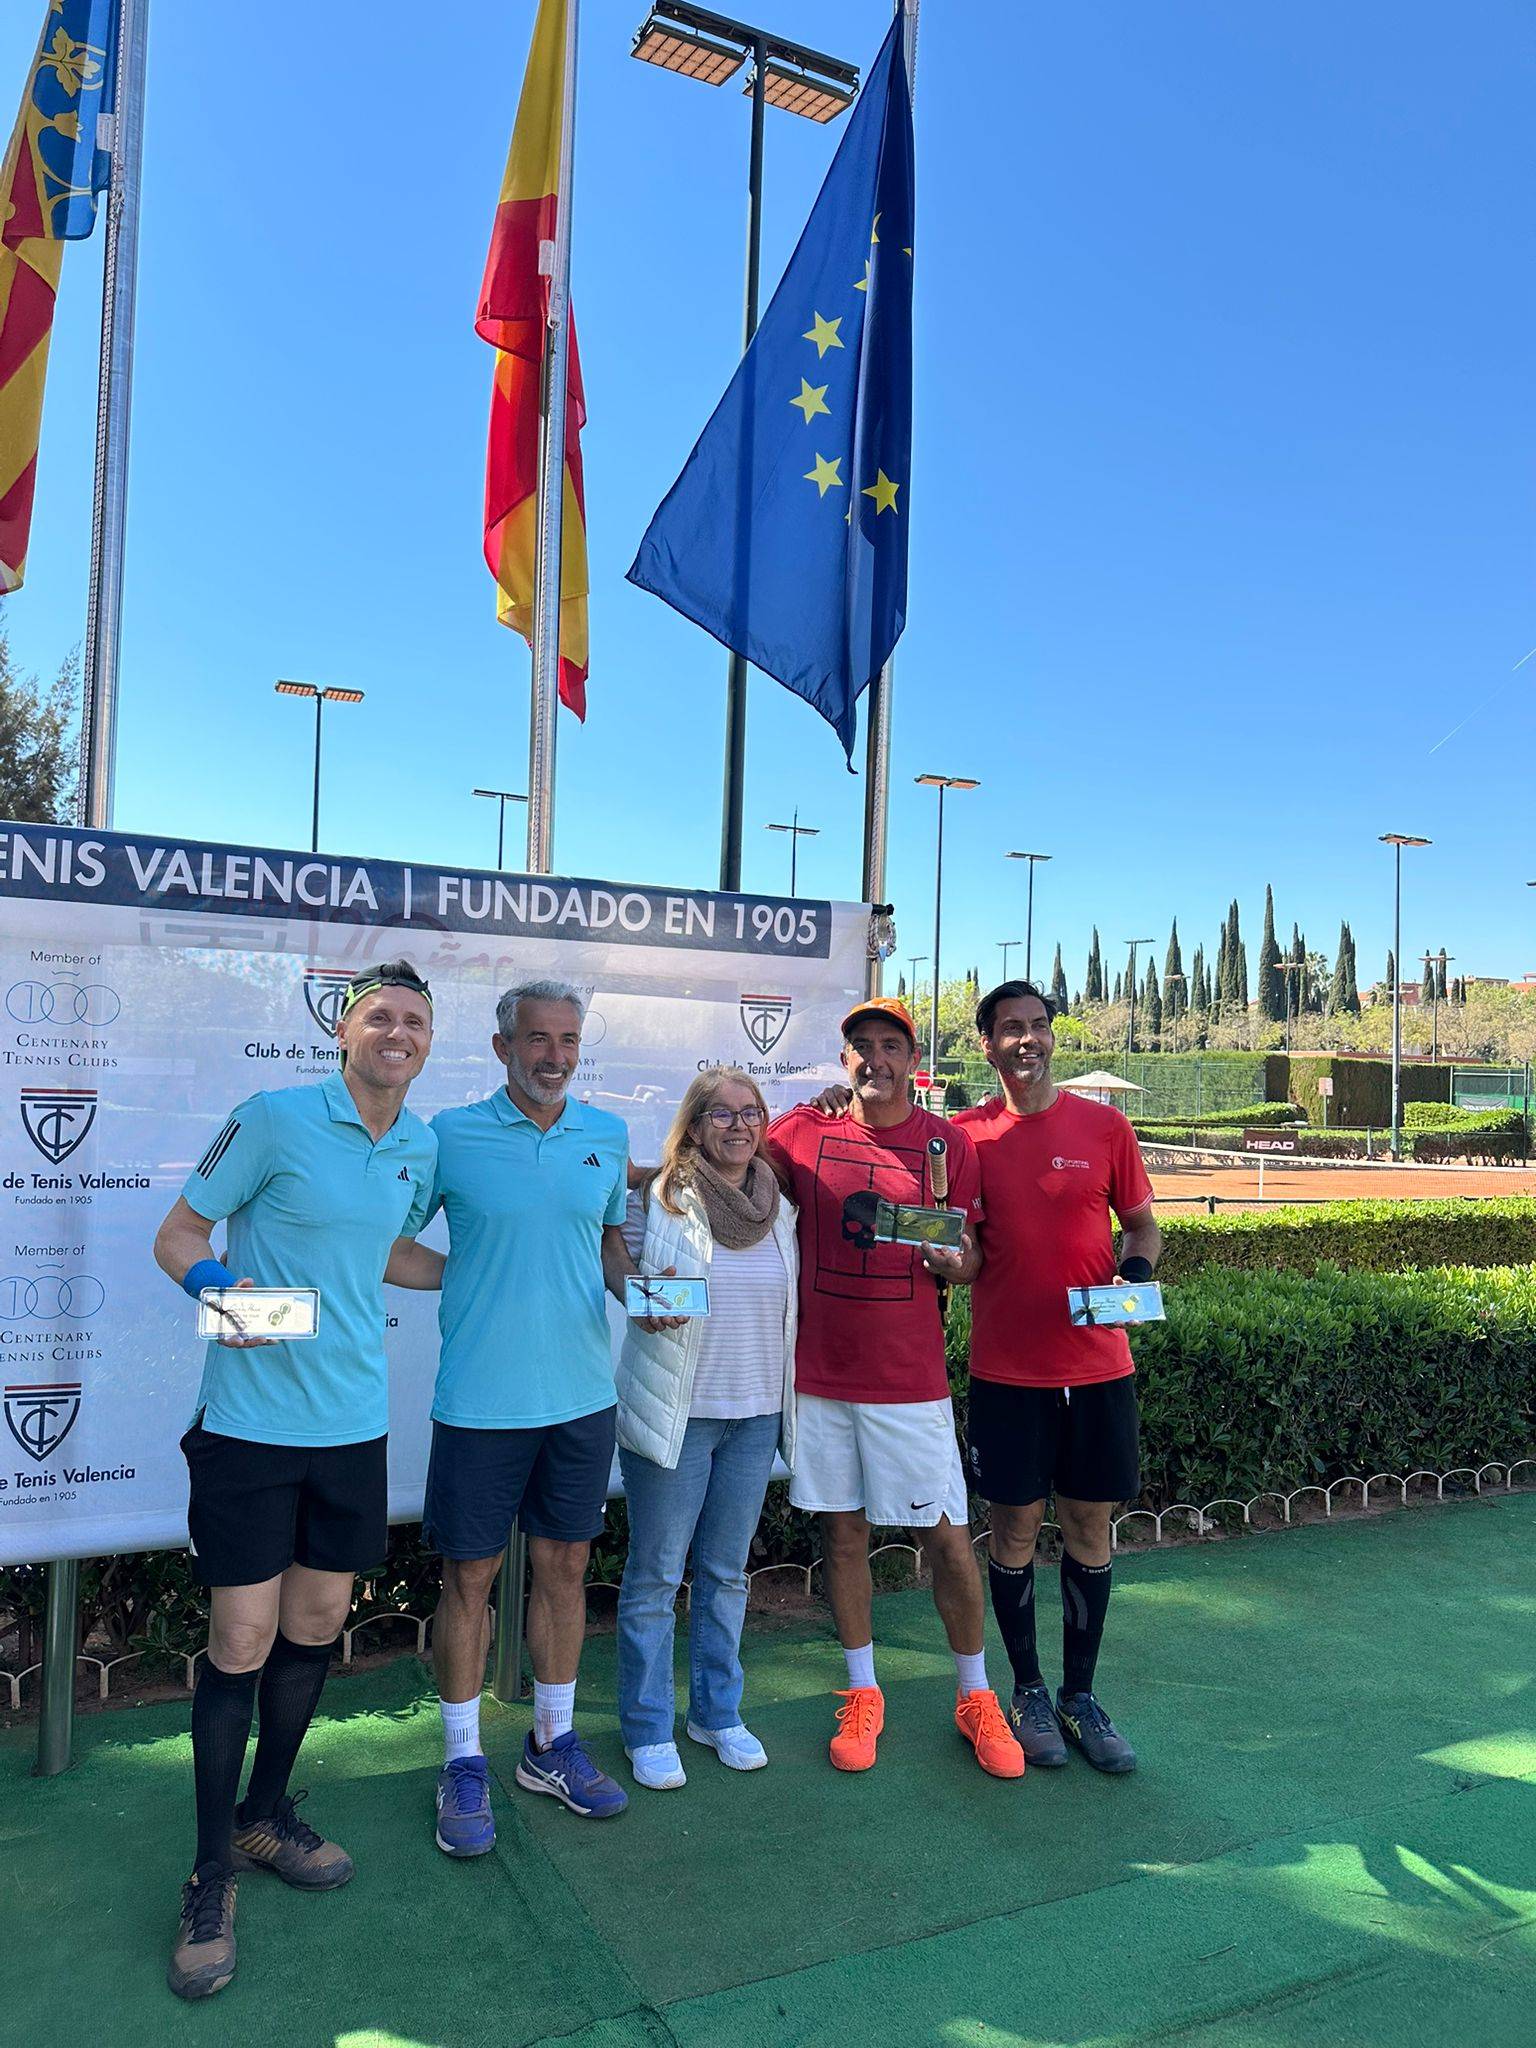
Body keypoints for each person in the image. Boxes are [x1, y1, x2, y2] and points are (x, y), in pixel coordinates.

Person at [152, 962, 438, 2001]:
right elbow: (178, 1235)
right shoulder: (273, 1116)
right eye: (380, 1017)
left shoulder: (418, 1144)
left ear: (429, 1039)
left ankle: (264, 1814)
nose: (397, 1033)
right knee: (241, 1639)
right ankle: (208, 1874)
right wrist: (228, 1298)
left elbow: (388, 1252)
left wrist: (477, 1271)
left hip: (353, 1428)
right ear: (343, 1030)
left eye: (415, 1021)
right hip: (249, 1429)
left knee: (316, 1625)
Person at [423, 978, 667, 1855]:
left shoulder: (605, 1135)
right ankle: (461, 1760)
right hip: (480, 1403)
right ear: (503, 1048)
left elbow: (607, 1245)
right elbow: (388, 1235)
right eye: (537, 1039)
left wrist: (643, 1299)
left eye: (568, 1040)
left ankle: (551, 1745)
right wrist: (465, 1277)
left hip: (580, 1400)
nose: (554, 1056)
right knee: (469, 1580)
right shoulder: (449, 1135)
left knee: (566, 1570)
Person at [769, 996, 1025, 1779]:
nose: (874, 1058)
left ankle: (976, 1696)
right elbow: (729, 1170)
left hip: (909, 1383)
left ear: (914, 1060)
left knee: (946, 1541)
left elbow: (970, 1256)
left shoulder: (948, 1144)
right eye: (861, 1046)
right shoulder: (799, 1131)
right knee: (842, 1537)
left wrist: (956, 1261)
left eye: (890, 1045)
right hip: (819, 1378)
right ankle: (862, 1690)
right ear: (843, 1058)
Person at [953, 980, 1162, 1774]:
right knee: (1012, 1532)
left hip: (1099, 1370)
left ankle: (1080, 1696)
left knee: (1088, 1527)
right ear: (987, 1044)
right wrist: (949, 1261)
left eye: (1039, 1025)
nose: (1028, 1040)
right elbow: (966, 1254)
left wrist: (1131, 1277)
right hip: (1007, 1374)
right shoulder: (966, 1137)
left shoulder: (1106, 1127)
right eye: (1011, 1028)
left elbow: (1141, 1227)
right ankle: (1029, 1693)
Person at [614, 1065, 799, 1790]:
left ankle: (716, 1714)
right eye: (720, 1114)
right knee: (656, 1577)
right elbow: (618, 1269)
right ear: (693, 1125)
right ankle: (647, 1727)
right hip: (677, 1415)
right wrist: (642, 1298)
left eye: (750, 1113)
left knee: (725, 1574)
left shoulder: (779, 1207)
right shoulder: (658, 1197)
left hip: (754, 1417)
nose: (738, 1125)